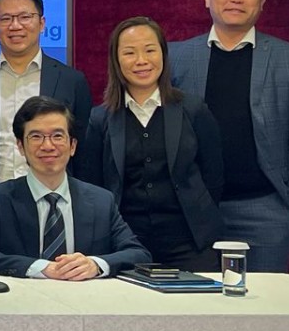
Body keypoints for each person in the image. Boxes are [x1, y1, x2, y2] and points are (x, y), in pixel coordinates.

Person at [169, 0, 289, 273]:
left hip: (266, 209)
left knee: (266, 300)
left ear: (262, 1)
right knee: (197, 299)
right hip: (194, 209)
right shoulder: (176, 56)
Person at [0, 0, 92, 251]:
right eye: (5, 18)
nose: (15, 26)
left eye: (24, 17)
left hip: (54, 209)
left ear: (42, 23)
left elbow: (84, 154)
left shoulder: (71, 81)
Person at [75, 17, 225, 272]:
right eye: (129, 53)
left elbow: (214, 176)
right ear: (116, 60)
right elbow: (92, 184)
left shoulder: (193, 109)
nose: (141, 60)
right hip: (125, 243)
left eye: (150, 50)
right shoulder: (100, 119)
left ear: (163, 54)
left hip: (190, 241)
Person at [0, 96, 151, 280]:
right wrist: (41, 268)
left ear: (72, 146)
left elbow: (138, 254)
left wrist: (95, 264)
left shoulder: (102, 201)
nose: (48, 146)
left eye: (57, 136)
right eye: (36, 136)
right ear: (20, 146)